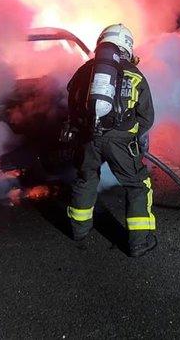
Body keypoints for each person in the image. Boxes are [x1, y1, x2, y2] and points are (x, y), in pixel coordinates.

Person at [65, 23, 157, 257]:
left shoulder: (85, 71)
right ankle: (139, 242)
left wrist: (83, 129)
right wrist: (131, 134)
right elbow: (147, 117)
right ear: (128, 47)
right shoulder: (135, 76)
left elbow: (72, 105)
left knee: (86, 179)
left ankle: (79, 230)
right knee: (137, 185)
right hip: (121, 142)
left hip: (88, 137)